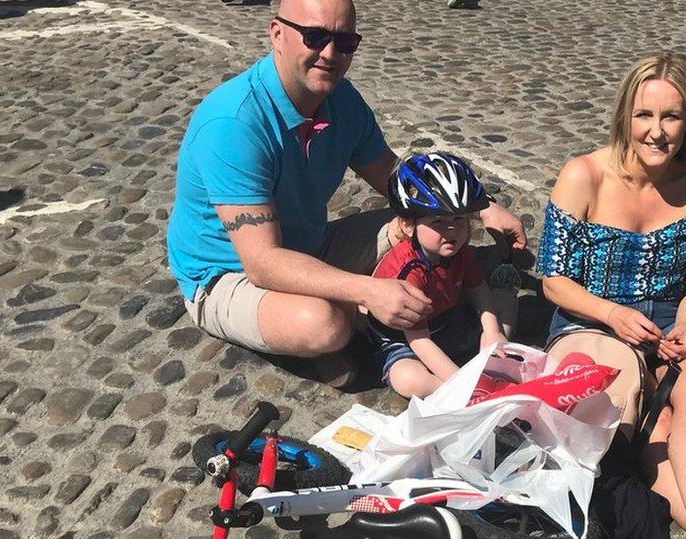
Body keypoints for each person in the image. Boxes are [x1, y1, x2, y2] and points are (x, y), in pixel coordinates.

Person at [165, 0, 525, 386]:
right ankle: (349, 328)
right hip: (227, 274)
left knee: (419, 227)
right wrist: (368, 291)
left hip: (310, 243)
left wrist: (482, 208)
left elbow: (395, 178)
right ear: (277, 34)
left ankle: (370, 321)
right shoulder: (234, 124)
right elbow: (262, 263)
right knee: (323, 324)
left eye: (345, 41)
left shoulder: (341, 100)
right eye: (315, 36)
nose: (330, 53)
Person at [536, 52, 686, 539]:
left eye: (671, 115)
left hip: (669, 319)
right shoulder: (584, 174)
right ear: (625, 115)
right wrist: (611, 313)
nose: (656, 131)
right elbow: (553, 282)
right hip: (590, 316)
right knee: (644, 420)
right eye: (644, 115)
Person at [367, 152, 511, 399]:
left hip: (446, 321)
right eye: (437, 222)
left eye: (459, 219)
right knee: (408, 379)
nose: (452, 229)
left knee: (505, 304)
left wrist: (492, 332)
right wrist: (461, 384)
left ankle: (489, 364)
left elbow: (478, 290)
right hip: (403, 340)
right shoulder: (409, 273)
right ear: (408, 225)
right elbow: (419, 341)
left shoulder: (458, 250)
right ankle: (463, 392)